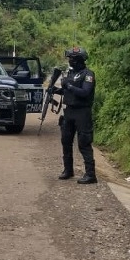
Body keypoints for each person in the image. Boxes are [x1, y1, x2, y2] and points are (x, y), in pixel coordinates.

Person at [53, 46, 97, 185]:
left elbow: (85, 92)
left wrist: (69, 86)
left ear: (78, 60)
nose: (69, 61)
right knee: (66, 141)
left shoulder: (88, 74)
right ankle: (68, 170)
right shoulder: (71, 74)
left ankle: (90, 175)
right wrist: (56, 90)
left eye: (71, 58)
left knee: (84, 143)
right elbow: (68, 91)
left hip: (82, 112)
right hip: (69, 112)